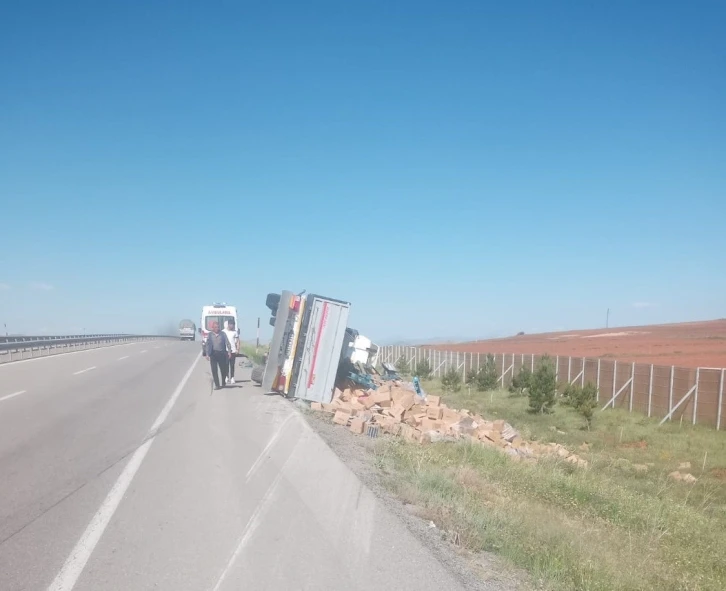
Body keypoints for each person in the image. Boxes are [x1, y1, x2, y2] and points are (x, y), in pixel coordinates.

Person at [205, 321, 232, 389]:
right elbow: (207, 344)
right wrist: (207, 354)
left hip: (222, 354)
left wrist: (229, 351)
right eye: (215, 327)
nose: (217, 328)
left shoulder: (223, 334)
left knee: (223, 369)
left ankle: (223, 382)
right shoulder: (210, 334)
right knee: (214, 370)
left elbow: (227, 343)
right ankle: (217, 385)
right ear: (213, 328)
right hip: (213, 354)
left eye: (218, 327)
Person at [223, 319, 240, 385]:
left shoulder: (235, 332)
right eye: (231, 324)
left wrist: (237, 349)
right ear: (228, 324)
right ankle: (226, 377)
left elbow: (238, 341)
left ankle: (232, 377)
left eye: (233, 325)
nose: (232, 326)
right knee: (226, 365)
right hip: (226, 351)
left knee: (232, 365)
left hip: (233, 350)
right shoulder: (223, 332)